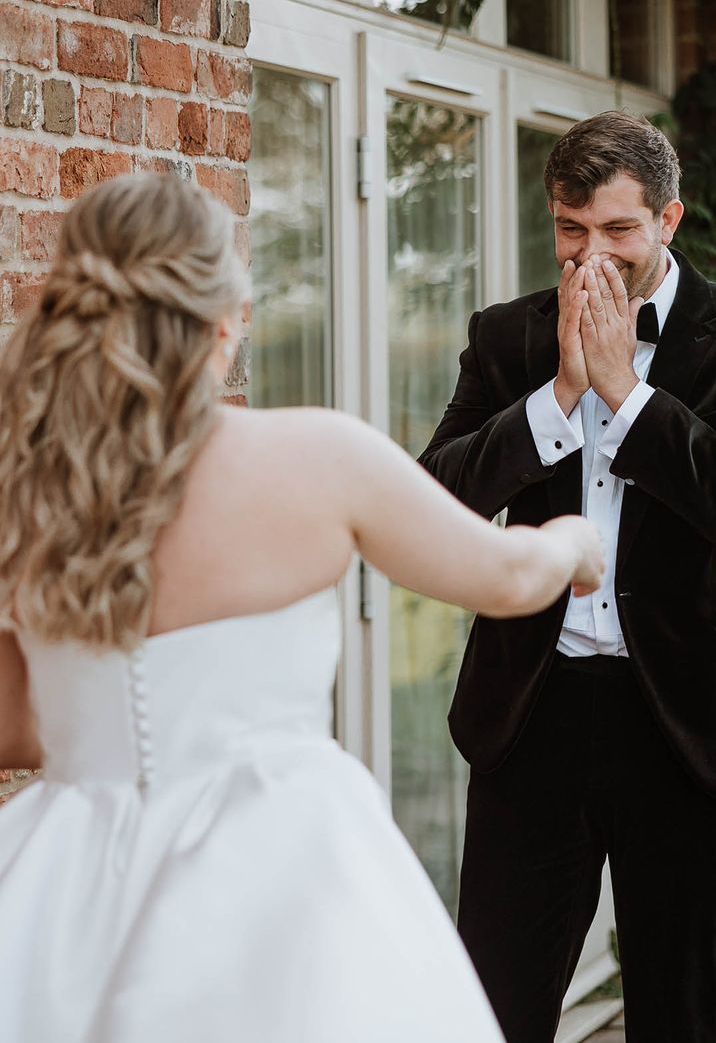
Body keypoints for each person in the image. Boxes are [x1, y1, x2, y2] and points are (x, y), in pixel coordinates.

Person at [0, 173, 603, 1043]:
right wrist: (574, 544)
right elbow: (507, 576)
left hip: (62, 890)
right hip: (276, 882)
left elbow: (15, 723)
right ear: (226, 319)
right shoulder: (314, 457)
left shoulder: (24, 489)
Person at [419, 109, 716, 1043]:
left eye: (620, 230)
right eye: (571, 229)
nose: (594, 254)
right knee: (498, 1004)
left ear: (671, 220)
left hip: (686, 726)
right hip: (533, 713)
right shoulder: (509, 338)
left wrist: (627, 395)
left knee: (685, 1007)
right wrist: (561, 394)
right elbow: (437, 495)